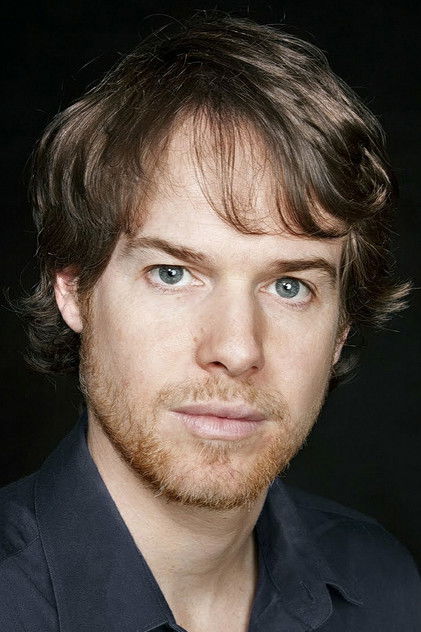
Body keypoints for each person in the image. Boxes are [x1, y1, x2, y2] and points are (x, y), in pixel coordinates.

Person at [2, 13, 420, 632]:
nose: (236, 347)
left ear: (342, 330)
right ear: (73, 290)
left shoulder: (385, 587)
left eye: (289, 286)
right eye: (173, 273)